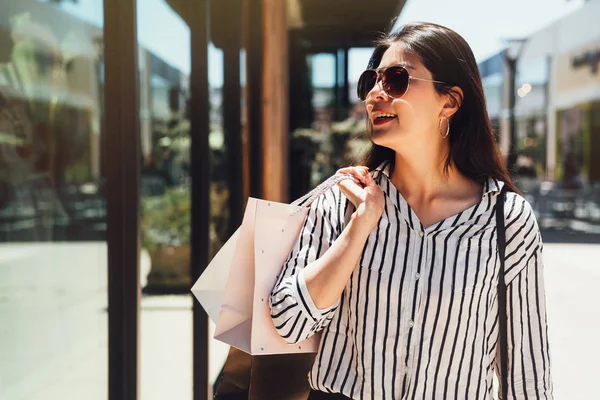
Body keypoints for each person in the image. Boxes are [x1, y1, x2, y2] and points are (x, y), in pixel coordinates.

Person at [269, 22, 553, 399]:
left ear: (449, 102)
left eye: (396, 79)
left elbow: (527, 373)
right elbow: (289, 321)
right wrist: (359, 228)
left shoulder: (506, 219)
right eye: (371, 81)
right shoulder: (345, 197)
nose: (374, 94)